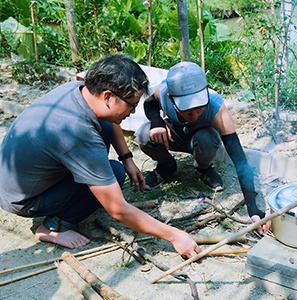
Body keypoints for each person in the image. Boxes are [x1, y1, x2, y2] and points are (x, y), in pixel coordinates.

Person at [0, 55, 201, 257]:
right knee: (114, 172)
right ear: (108, 96)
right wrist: (175, 235)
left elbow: (110, 119)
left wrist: (127, 158)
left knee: (111, 146)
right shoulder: (78, 133)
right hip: (24, 200)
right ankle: (53, 226)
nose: (132, 112)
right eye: (131, 105)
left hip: (16, 181)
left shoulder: (79, 91)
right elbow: (117, 209)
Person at [136, 61, 270, 232]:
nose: (194, 115)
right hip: (174, 135)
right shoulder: (163, 92)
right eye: (188, 110)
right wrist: (157, 122)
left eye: (199, 108)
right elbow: (150, 104)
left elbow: (240, 161)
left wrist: (253, 208)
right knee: (143, 134)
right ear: (171, 98)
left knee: (206, 140)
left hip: (202, 140)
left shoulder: (216, 106)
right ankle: (167, 167)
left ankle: (203, 168)